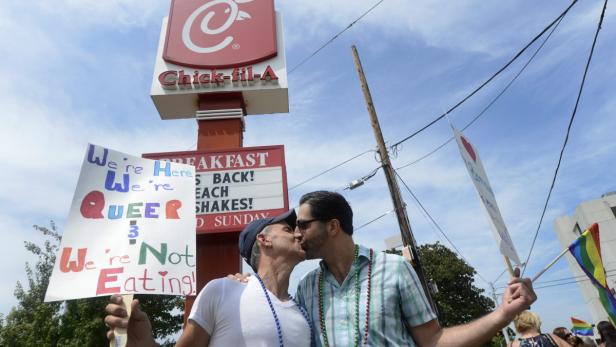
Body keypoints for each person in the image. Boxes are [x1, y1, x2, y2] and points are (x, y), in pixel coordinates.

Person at [293, 190, 538, 346]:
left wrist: (502, 314)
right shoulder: (306, 287)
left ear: (333, 226)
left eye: (303, 225)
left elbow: (433, 341)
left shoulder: (393, 268)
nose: (296, 234)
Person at [104, 210, 313, 347]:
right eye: (287, 229)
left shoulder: (303, 311)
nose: (297, 235)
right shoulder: (222, 291)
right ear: (263, 239)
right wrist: (146, 344)